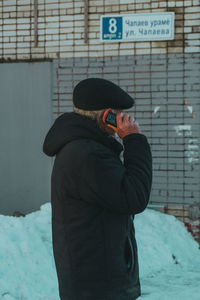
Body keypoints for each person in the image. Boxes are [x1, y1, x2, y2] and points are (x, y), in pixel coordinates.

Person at [43, 78, 152, 300]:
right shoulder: (88, 155)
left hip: (96, 280)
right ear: (107, 116)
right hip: (97, 286)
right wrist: (134, 140)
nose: (124, 120)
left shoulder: (85, 148)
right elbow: (135, 196)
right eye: (119, 114)